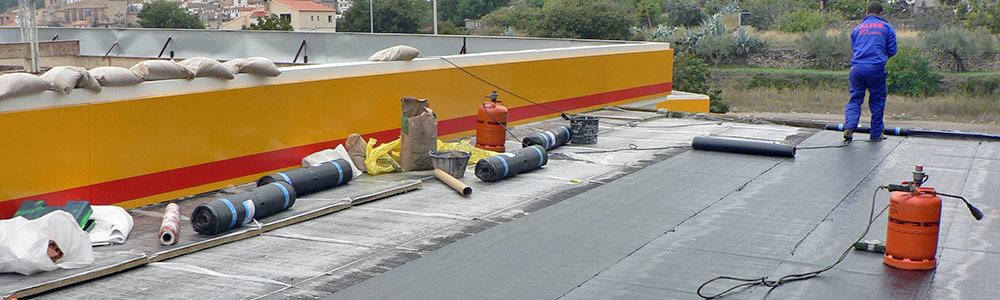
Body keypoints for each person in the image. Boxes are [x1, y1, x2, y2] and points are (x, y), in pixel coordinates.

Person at [844, 2, 897, 142]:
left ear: (867, 13)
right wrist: (880, 56)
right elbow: (892, 50)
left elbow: (855, 48)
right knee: (877, 100)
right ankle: (875, 133)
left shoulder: (857, 29)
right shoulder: (887, 27)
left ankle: (849, 126)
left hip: (857, 68)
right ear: (881, 13)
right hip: (875, 68)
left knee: (855, 99)